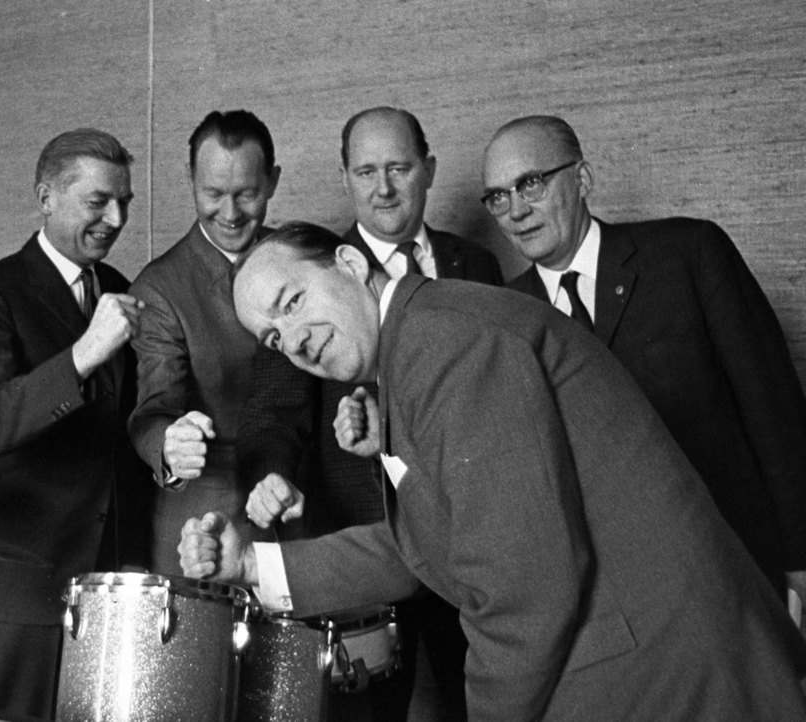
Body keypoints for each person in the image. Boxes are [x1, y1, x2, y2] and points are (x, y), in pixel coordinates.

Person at [181, 221, 806, 721]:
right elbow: (429, 547)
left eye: (292, 303)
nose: (293, 340)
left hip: (662, 676)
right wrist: (251, 565)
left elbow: (522, 588)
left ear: (349, 264)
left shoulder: (443, 344)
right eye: (273, 338)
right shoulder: (417, 346)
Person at [239, 107, 501, 721]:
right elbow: (274, 415)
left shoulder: (476, 264)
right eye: (365, 172)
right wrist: (273, 476)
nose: (382, 188)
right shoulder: (297, 279)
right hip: (363, 544)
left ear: (428, 169)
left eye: (398, 168)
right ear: (345, 179)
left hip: (468, 541)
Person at [486, 115, 806, 599]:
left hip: (732, 567)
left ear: (582, 179)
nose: (515, 210)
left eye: (531, 184)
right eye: (497, 196)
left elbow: (774, 411)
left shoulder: (688, 253)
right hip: (614, 599)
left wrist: (800, 557)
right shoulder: (505, 317)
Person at [0, 128, 150, 720]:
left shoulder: (119, 290)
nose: (116, 219)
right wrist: (85, 354)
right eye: (98, 202)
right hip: (19, 589)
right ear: (46, 197)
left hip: (109, 583)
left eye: (124, 202)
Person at [129, 109, 281, 574]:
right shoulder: (159, 287)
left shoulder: (297, 258)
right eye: (213, 194)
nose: (230, 214)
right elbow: (152, 412)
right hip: (203, 527)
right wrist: (169, 448)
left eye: (246, 194)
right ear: (190, 180)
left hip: (300, 517)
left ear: (273, 182)